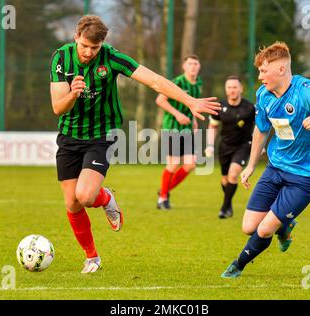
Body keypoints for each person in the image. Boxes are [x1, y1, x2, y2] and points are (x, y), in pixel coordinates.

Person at [49, 15, 220, 273]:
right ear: (76, 38)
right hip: (69, 136)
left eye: (94, 48)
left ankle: (106, 198)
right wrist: (73, 94)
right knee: (71, 203)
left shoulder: (112, 57)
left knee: (85, 196)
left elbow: (154, 81)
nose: (88, 53)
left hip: (101, 134)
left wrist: (189, 101)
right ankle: (92, 257)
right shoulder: (61, 58)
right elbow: (57, 108)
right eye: (84, 46)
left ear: (102, 44)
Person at [220, 41, 310, 278]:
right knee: (248, 227)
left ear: (281, 70)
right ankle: (285, 225)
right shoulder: (263, 95)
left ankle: (237, 265)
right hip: (276, 167)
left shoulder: (305, 89)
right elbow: (261, 131)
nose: (260, 76)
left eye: (264, 71)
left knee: (263, 229)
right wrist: (251, 165)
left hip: (306, 175)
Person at [156, 54, 202, 210]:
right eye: (190, 64)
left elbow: (192, 105)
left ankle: (163, 190)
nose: (193, 66)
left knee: (190, 164)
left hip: (187, 129)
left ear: (199, 66)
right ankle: (162, 198)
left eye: (196, 64)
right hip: (173, 128)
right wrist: (178, 114)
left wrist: (194, 119)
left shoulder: (198, 84)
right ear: (184, 66)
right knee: (173, 163)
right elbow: (160, 100)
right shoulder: (178, 82)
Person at [205, 76, 255, 219]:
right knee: (225, 179)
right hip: (225, 146)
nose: (232, 90)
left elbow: (259, 128)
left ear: (241, 89)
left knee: (234, 174)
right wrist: (209, 145)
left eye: (235, 87)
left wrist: (260, 145)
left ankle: (224, 208)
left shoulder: (249, 108)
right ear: (226, 90)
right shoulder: (219, 107)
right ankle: (229, 205)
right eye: (229, 87)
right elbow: (213, 127)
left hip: (244, 145)